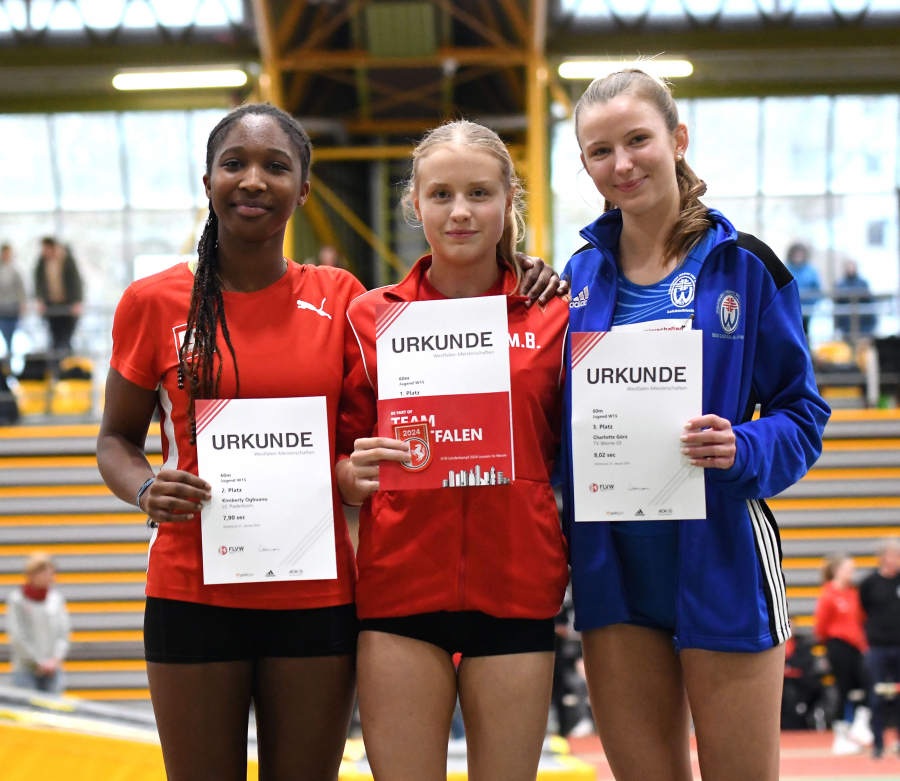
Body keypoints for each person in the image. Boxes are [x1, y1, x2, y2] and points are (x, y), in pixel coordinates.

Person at [96, 103, 564, 781]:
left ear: (303, 189)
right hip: (194, 586)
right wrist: (144, 486)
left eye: (275, 165)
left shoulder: (345, 299)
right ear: (207, 181)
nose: (253, 180)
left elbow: (359, 442)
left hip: (316, 596)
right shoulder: (155, 301)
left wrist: (522, 267)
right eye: (234, 163)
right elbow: (115, 437)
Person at [559, 69, 830, 781]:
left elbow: (803, 415)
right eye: (600, 151)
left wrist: (742, 445)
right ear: (584, 163)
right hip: (613, 572)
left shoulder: (748, 268)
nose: (622, 164)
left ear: (678, 139)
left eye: (638, 140)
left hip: (723, 561)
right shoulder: (575, 279)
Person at [337, 120, 571, 781]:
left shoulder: (557, 313)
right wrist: (351, 475)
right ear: (415, 204)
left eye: (479, 193)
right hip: (400, 593)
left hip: (518, 588)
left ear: (508, 201)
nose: (460, 211)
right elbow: (342, 457)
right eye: (441, 194)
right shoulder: (370, 318)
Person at [815, 554, 872, 754]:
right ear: (837, 571)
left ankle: (858, 725)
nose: (852, 573)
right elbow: (821, 626)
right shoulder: (828, 594)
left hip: (856, 646)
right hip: (838, 645)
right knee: (843, 688)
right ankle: (840, 736)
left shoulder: (853, 593)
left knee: (864, 684)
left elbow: (861, 620)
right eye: (849, 569)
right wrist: (830, 646)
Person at [6, 553, 69, 694]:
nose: (51, 578)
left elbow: (63, 634)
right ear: (33, 574)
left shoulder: (56, 599)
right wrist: (38, 661)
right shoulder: (17, 600)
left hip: (53, 672)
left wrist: (54, 660)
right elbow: (17, 636)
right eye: (47, 573)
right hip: (25, 671)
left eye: (52, 573)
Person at [860, 540, 900, 758]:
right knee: (877, 697)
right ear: (883, 557)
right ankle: (878, 744)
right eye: (892, 555)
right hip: (878, 648)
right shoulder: (870, 583)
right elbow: (862, 610)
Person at [34, 238, 83, 357]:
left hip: (67, 306)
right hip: (51, 306)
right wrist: (40, 300)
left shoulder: (67, 260)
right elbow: (38, 283)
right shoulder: (42, 263)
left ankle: (67, 364)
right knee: (54, 339)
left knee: (66, 338)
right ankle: (55, 365)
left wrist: (77, 301)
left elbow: (76, 281)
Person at [834, 259, 876, 339]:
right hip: (846, 324)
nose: (851, 269)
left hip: (863, 324)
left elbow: (869, 302)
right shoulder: (840, 284)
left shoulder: (863, 283)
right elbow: (837, 304)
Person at [785, 243, 820, 335]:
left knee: (805, 333)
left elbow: (817, 290)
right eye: (796, 254)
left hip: (806, 310)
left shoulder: (811, 271)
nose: (798, 257)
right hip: (789, 311)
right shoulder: (785, 269)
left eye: (800, 254)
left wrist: (811, 303)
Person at [0, 243, 25, 357]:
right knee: (5, 332)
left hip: (13, 307)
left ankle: (10, 355)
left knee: (12, 333)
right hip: (2, 308)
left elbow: (20, 288)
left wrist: (22, 302)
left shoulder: (15, 271)